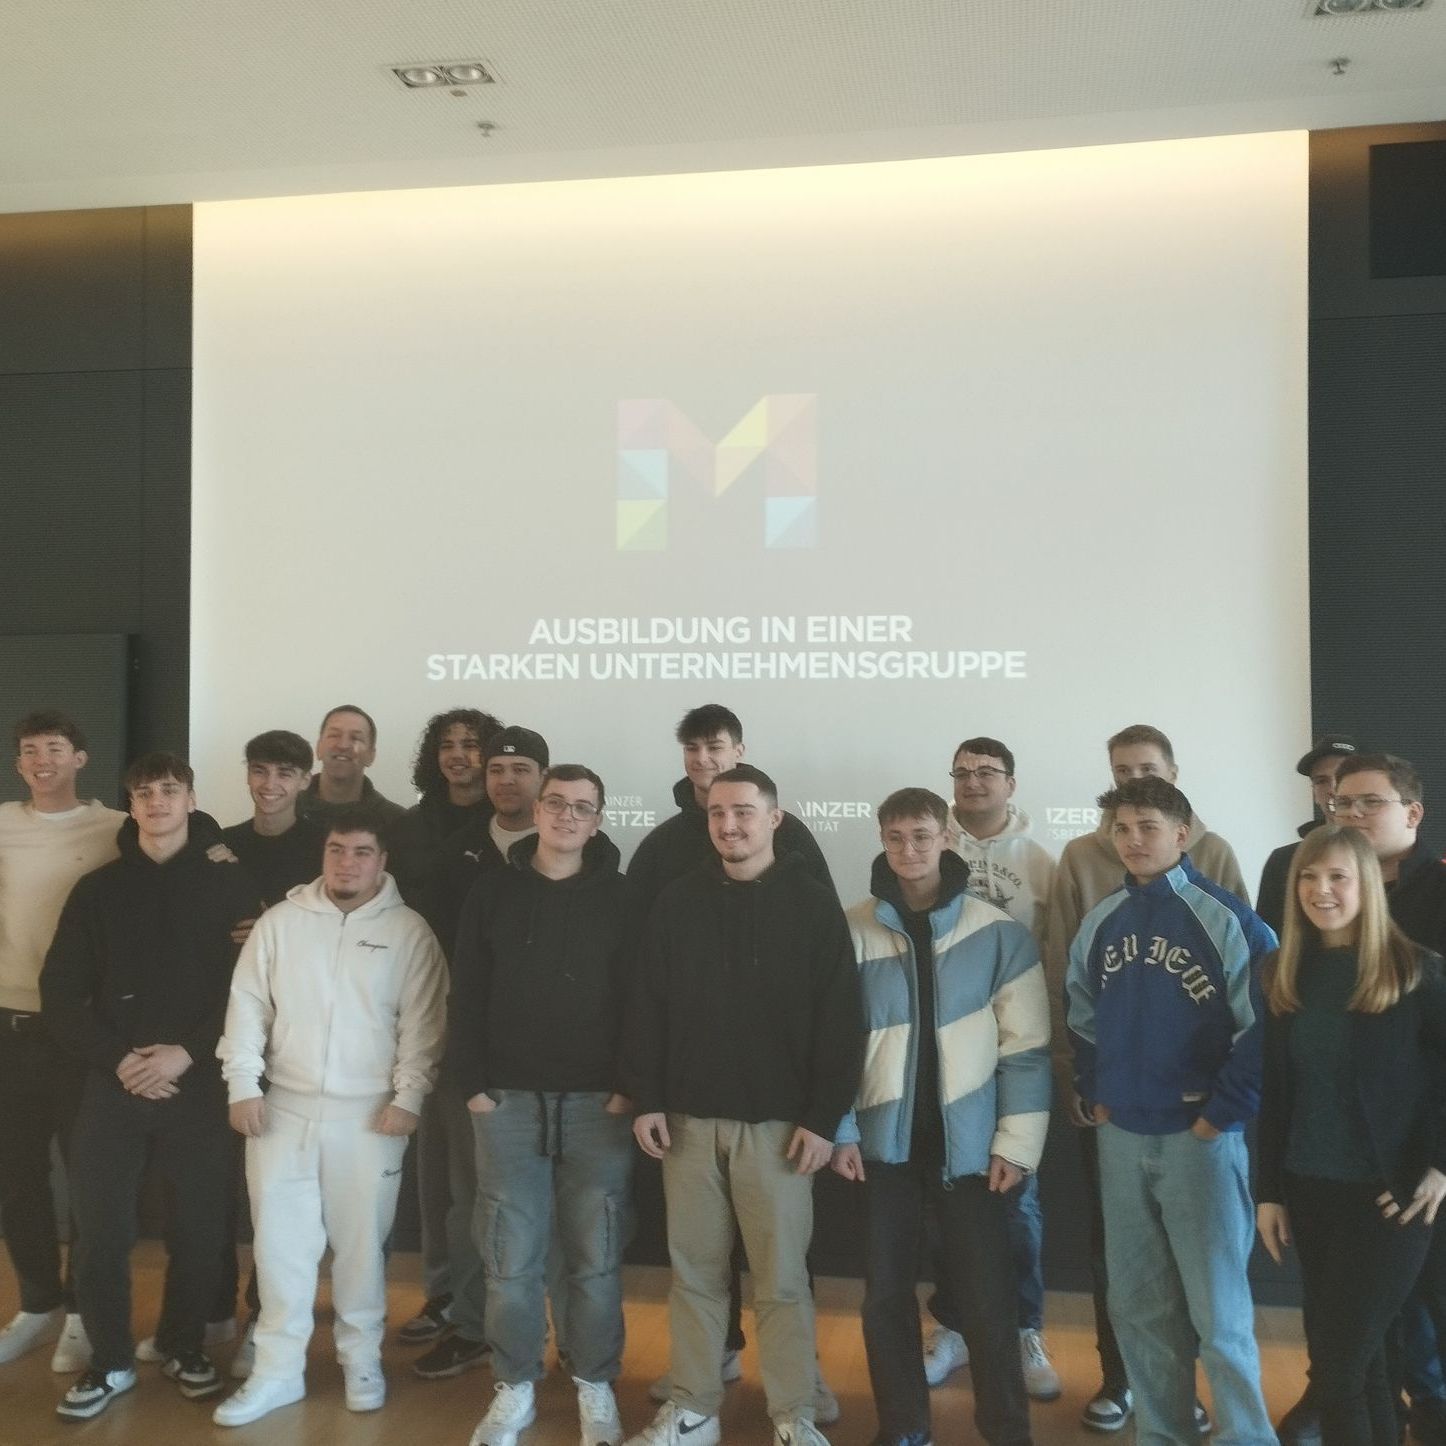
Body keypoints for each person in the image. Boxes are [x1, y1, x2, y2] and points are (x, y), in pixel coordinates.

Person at [623, 764, 862, 1446]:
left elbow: (842, 1021)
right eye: (718, 813)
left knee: (782, 1282)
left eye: (744, 812)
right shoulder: (677, 901)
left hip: (781, 1128)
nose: (729, 825)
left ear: (774, 819)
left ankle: (792, 1414)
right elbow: (648, 1005)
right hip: (688, 1123)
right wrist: (648, 1098)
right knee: (695, 1276)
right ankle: (694, 1407)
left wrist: (823, 1118)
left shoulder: (813, 905)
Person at [40, 752, 259, 1420]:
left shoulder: (232, 886)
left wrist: (186, 1054)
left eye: (169, 790)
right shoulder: (97, 890)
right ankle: (109, 1361)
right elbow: (59, 994)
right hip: (115, 1083)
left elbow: (250, 991)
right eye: (143, 793)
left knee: (199, 1228)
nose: (157, 802)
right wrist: (121, 1062)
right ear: (130, 806)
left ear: (191, 799)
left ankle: (182, 1346)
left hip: (198, 1082)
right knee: (101, 1231)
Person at [212, 807, 446, 1427]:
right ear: (323, 855)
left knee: (361, 1249)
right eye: (337, 850)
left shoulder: (409, 931)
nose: (348, 863)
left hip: (370, 1119)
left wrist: (408, 1098)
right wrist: (243, 1083)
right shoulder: (281, 923)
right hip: (282, 1112)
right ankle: (276, 1371)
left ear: (382, 861)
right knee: (279, 1249)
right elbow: (247, 1005)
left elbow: (424, 1023)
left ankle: (360, 1359)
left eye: (362, 852)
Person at [1044, 722, 1246, 1432]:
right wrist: (1091, 1088)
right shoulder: (1097, 904)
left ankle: (1234, 1426)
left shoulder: (1223, 904)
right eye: (1122, 826)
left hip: (1197, 1128)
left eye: (1148, 826)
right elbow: (1076, 1002)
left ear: (1181, 830)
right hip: (1120, 1124)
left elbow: (1258, 1018)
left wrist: (1221, 1111)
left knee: (1215, 1305)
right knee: (1133, 1293)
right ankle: (1154, 1419)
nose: (1132, 837)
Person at [832, 787, 1050, 1446]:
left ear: (947, 838)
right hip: (885, 1151)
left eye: (922, 836)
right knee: (885, 1298)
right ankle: (903, 1428)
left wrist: (1016, 1144)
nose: (909, 850)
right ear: (881, 840)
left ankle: (1007, 1431)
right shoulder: (850, 929)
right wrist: (841, 1129)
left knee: (988, 1300)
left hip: (974, 1153)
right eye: (896, 837)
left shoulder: (998, 932)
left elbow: (1027, 1051)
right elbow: (832, 1042)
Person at [449, 765, 634, 1446]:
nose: (566, 816)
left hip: (598, 1104)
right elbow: (466, 990)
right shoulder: (493, 890)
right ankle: (515, 1383)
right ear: (537, 810)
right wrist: (472, 1084)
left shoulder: (623, 897)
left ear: (597, 820)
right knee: (510, 1258)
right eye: (556, 803)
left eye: (582, 807)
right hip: (507, 1101)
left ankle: (594, 1382)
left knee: (596, 1257)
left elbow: (641, 998)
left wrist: (629, 1085)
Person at [1257, 824, 1446, 1446]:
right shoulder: (1282, 973)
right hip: (1311, 1191)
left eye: (1337, 876)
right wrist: (1268, 1192)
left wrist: (1438, 1167)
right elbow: (1276, 1093)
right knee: (1366, 1368)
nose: (1322, 890)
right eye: (1309, 878)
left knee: (1336, 1371)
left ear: (1366, 883)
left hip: (1391, 1199)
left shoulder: (1416, 971)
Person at [403, 724, 549, 1360]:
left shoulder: (564, 846)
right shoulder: (453, 854)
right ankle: (467, 1320)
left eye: (520, 769)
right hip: (465, 1049)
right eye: (497, 770)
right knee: (466, 1194)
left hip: (550, 1057)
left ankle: (538, 1327)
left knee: (539, 1200)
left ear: (541, 778)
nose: (506, 780)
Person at [928, 737, 1059, 1400]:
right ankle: (953, 1328)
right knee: (950, 1202)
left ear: (1011, 782)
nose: (973, 782)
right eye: (963, 773)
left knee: (1018, 1204)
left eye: (987, 772)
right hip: (944, 1054)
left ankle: (1024, 1328)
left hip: (1015, 1049)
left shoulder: (1040, 862)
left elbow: (1057, 953)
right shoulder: (932, 849)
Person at [0, 711, 124, 1375]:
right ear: (19, 763)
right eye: (30, 750)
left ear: (80, 758)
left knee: (87, 1175)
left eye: (55, 748)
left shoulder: (114, 827)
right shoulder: (1, 824)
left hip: (81, 1031)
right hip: (11, 1025)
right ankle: (38, 1303)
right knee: (15, 1176)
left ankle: (82, 1310)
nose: (42, 759)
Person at [388, 707, 500, 1376]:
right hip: (412, 1007)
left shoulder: (504, 824)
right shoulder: (407, 825)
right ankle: (441, 1292)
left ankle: (475, 1305)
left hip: (477, 1017)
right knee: (433, 1174)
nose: (460, 755)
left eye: (472, 745)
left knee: (471, 1176)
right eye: (449, 745)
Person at [1256, 736, 1359, 937]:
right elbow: (1269, 940)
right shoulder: (1283, 862)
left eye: (1343, 776)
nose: (1332, 789)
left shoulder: (1392, 860)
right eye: (1321, 781)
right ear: (1313, 793)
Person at [299, 704, 406, 830]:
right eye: (334, 735)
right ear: (318, 748)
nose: (343, 745)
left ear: (371, 756)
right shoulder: (286, 811)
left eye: (356, 738)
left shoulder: (397, 823)